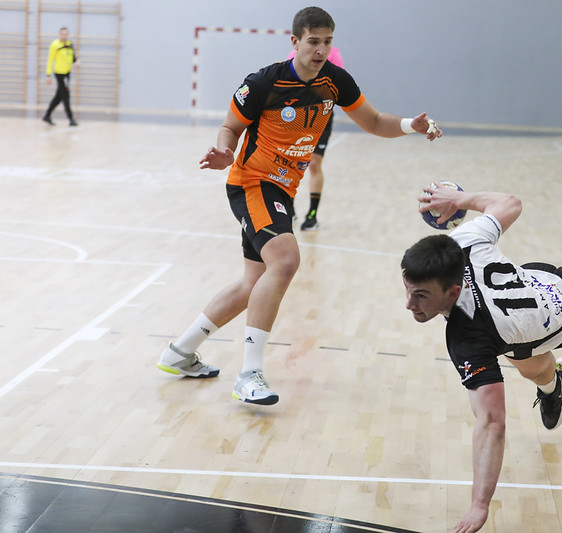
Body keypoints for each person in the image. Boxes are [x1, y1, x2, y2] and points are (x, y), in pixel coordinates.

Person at [157, 6, 442, 406]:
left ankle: (180, 352)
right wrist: (225, 151)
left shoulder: (335, 81)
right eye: (313, 42)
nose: (320, 50)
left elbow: (375, 121)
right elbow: (230, 127)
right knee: (286, 261)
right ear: (295, 41)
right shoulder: (264, 82)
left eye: (327, 42)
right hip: (252, 183)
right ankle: (249, 374)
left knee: (253, 283)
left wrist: (412, 124)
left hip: (283, 191)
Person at [401, 133, 562, 533]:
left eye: (420, 295)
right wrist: (460, 200)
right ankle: (553, 387)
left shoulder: (469, 339)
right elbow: (509, 203)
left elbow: (492, 422)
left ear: (452, 292)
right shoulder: (461, 241)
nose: (409, 304)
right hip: (524, 298)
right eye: (408, 289)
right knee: (525, 358)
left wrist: (480, 505)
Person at [286, 45, 344, 231]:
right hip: (298, 116)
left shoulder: (333, 54)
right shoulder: (294, 54)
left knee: (314, 163)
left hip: (321, 117)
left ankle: (312, 215)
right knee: (291, 162)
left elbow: (337, 85)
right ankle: (289, 208)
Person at [43, 27, 79, 126]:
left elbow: (73, 58)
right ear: (59, 34)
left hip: (67, 73)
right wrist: (48, 75)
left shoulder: (69, 44)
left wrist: (76, 61)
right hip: (59, 74)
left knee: (59, 96)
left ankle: (47, 115)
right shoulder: (55, 45)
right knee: (66, 95)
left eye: (66, 34)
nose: (64, 36)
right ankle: (71, 118)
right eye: (62, 34)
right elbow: (50, 60)